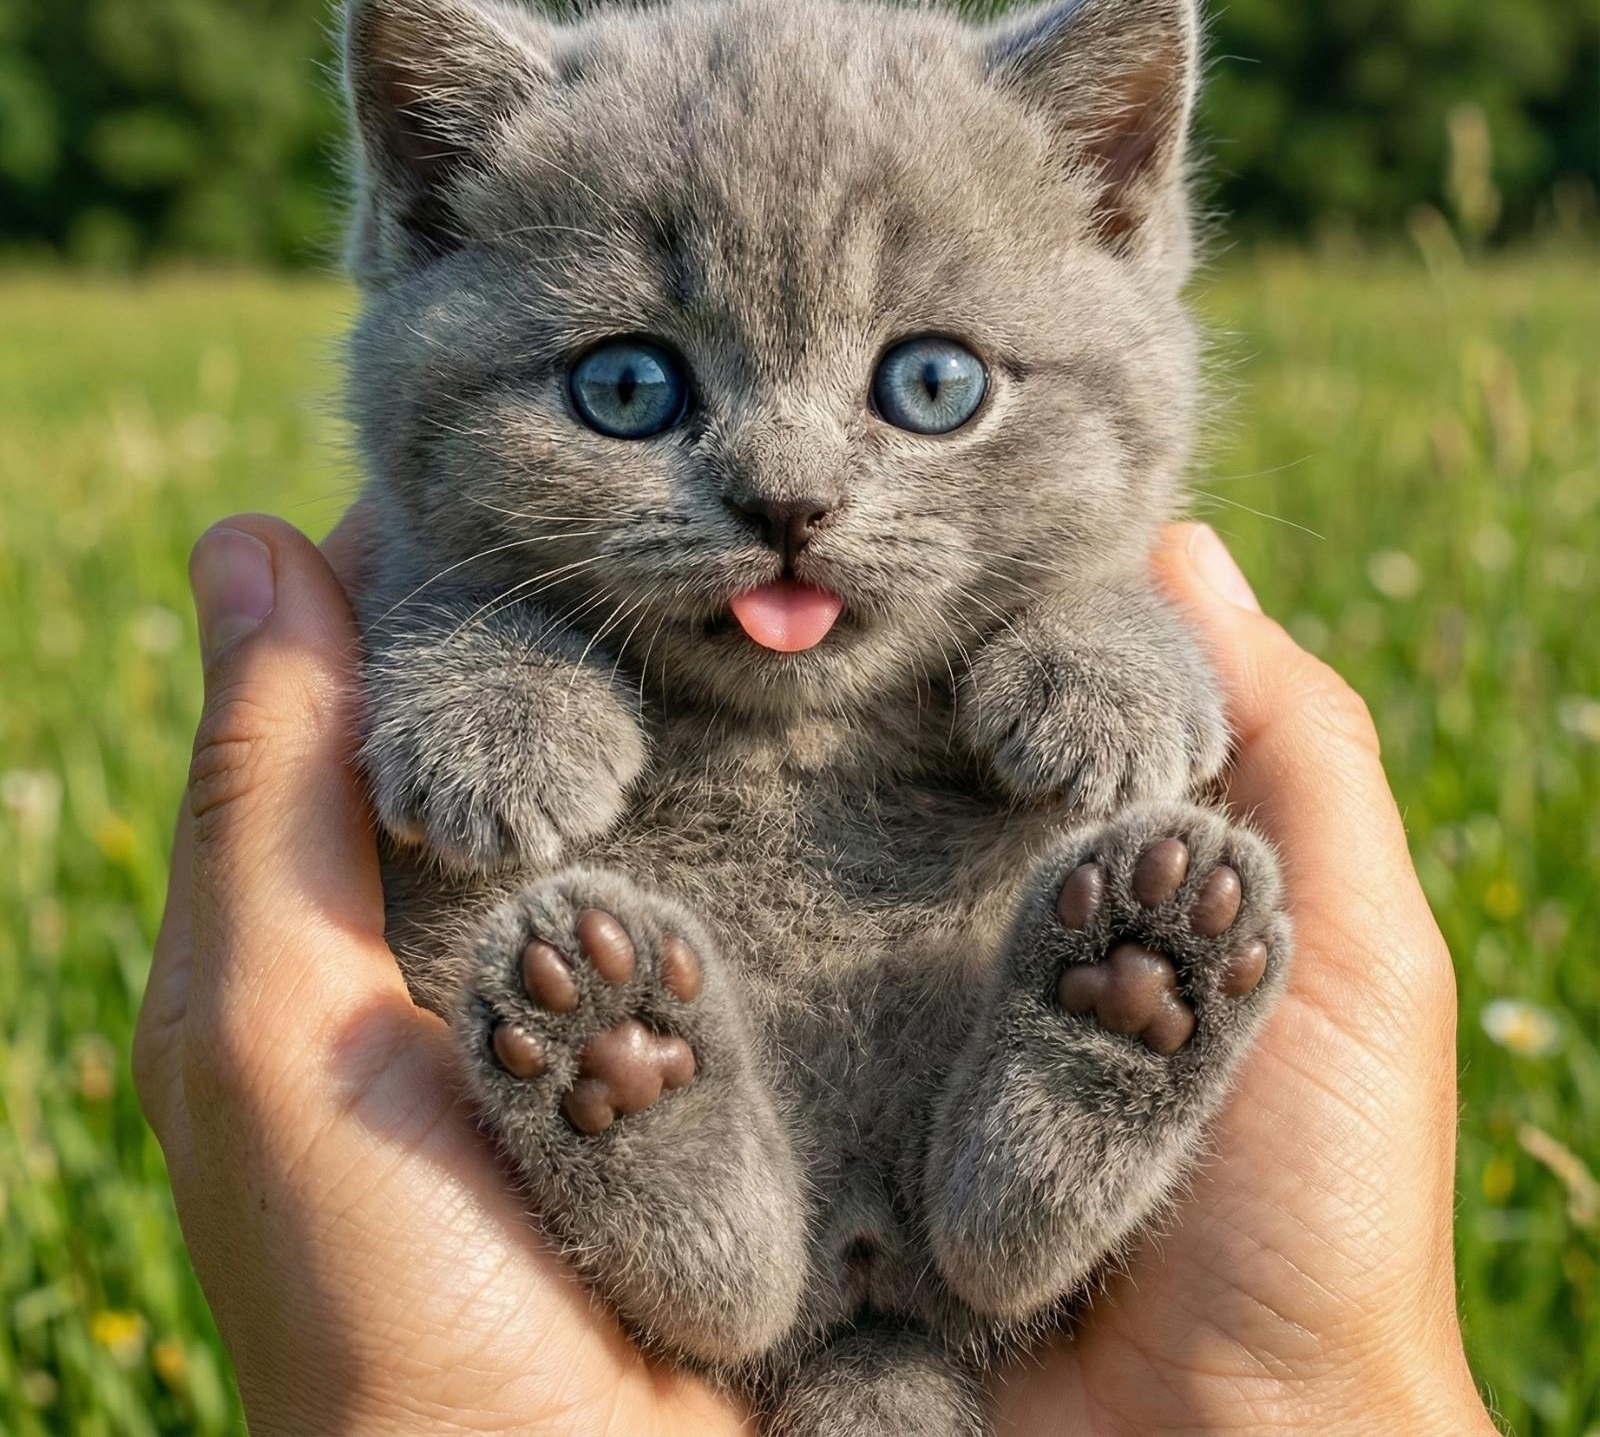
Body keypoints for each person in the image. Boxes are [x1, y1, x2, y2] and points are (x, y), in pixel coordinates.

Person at [133, 513, 1500, 1437]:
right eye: (629, 388)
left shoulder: (1037, 594)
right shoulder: (499, 611)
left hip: (952, 1065)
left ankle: (1028, 1160)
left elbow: (1110, 608)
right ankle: (704, 1230)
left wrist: (1099, 637)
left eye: (926, 383)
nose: (789, 484)